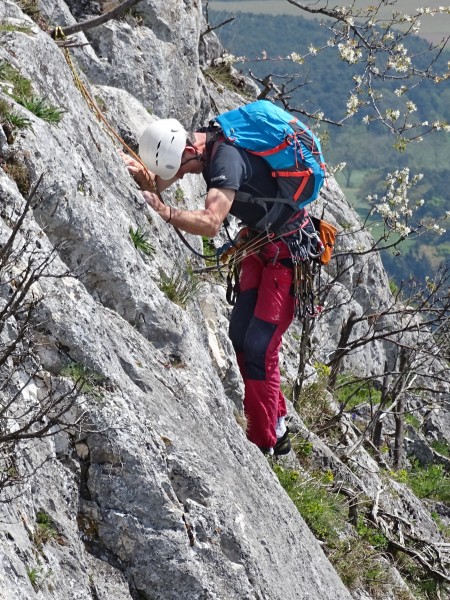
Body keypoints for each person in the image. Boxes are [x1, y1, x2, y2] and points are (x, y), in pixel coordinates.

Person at [121, 114, 316, 456]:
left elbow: (211, 223)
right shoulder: (202, 144)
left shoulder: (224, 158)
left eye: (181, 169)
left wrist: (168, 213)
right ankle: (277, 421)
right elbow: (166, 176)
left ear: (187, 149)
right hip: (261, 246)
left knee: (258, 346)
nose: (182, 176)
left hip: (287, 255)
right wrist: (143, 175)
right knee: (240, 335)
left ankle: (264, 439)